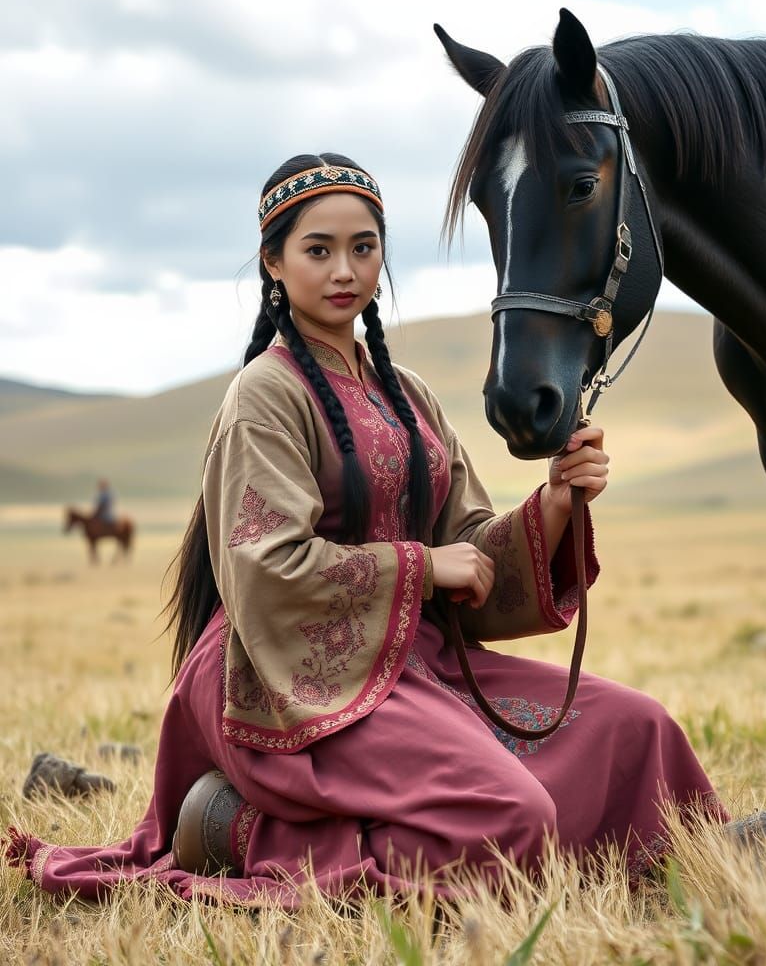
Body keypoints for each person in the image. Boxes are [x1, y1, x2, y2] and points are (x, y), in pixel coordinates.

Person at [6, 153, 726, 906]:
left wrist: (551, 504)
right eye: (318, 249)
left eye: (364, 247)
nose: (344, 269)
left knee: (635, 732)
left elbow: (470, 552)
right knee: (514, 816)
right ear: (273, 262)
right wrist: (421, 566)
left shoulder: (407, 393)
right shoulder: (265, 396)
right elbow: (269, 568)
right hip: (292, 678)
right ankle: (242, 830)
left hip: (418, 659)